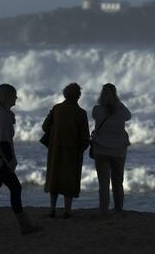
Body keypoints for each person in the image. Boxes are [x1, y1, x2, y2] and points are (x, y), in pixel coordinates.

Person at [0, 84, 42, 239]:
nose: (16, 98)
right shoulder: (3, 116)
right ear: (7, 97)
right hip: (0, 162)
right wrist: (11, 162)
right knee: (2, 191)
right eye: (14, 95)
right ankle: (23, 227)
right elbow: (4, 142)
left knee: (0, 191)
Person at [42, 83, 90, 218]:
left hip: (55, 148)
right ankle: (67, 211)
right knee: (69, 181)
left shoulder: (57, 109)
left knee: (54, 179)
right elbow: (85, 136)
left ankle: (52, 209)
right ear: (78, 96)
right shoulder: (81, 113)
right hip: (72, 151)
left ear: (64, 94)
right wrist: (82, 149)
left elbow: (45, 127)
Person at [91, 83, 131, 215]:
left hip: (101, 150)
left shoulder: (97, 110)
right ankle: (118, 209)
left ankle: (103, 211)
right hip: (118, 151)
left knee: (103, 184)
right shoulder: (121, 110)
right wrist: (118, 102)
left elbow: (96, 117)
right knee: (118, 182)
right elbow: (128, 116)